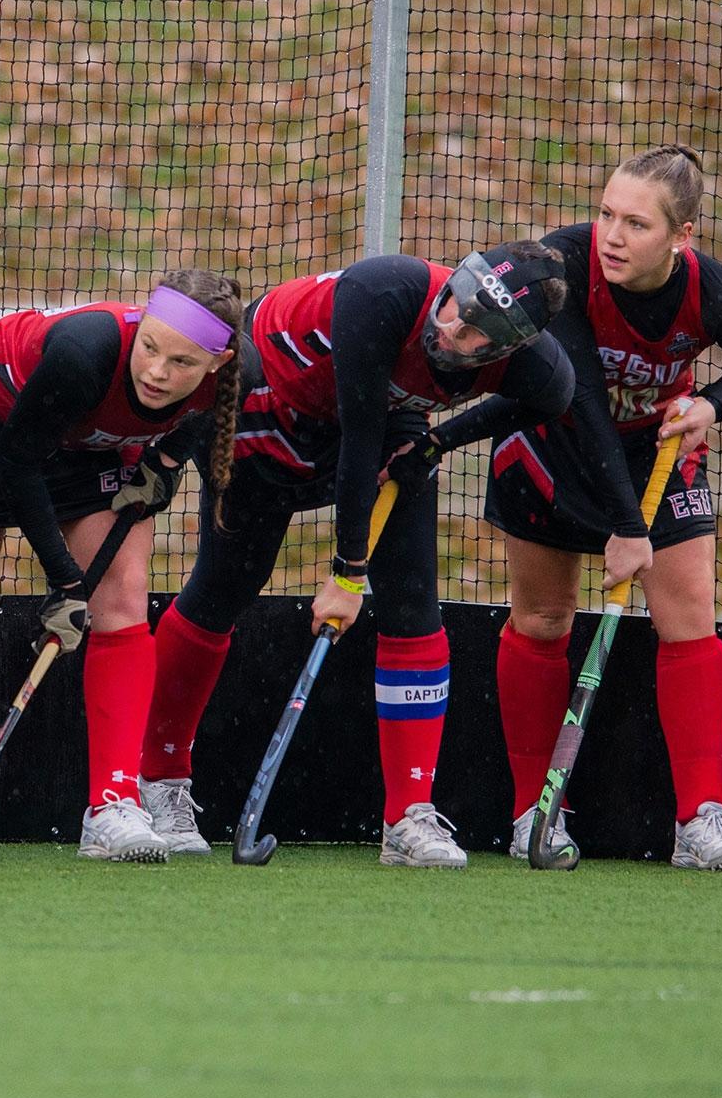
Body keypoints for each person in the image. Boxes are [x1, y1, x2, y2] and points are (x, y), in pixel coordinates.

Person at [137, 244, 576, 867]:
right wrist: (346, 574)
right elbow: (359, 431)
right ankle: (159, 780)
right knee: (223, 588)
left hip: (384, 423)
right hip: (273, 405)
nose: (451, 329)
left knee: (414, 602)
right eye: (455, 306)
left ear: (507, 347)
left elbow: (553, 399)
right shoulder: (386, 292)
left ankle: (408, 816)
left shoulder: (537, 367)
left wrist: (438, 442)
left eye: (475, 334)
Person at [487, 145, 722, 871]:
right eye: (605, 215)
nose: (612, 236)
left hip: (656, 457)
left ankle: (702, 818)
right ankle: (535, 808)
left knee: (689, 616)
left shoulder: (714, 293)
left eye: (635, 223)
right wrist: (628, 529)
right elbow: (584, 401)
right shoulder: (563, 266)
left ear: (681, 237)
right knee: (543, 619)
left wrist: (710, 404)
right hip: (553, 443)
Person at [0, 271, 242, 861]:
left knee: (122, 599)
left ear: (216, 363)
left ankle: (113, 805)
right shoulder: (84, 351)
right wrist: (65, 583)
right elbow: (18, 462)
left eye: (181, 362)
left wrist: (167, 461)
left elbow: (202, 417)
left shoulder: (227, 374)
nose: (157, 372)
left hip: (83, 443)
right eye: (150, 347)